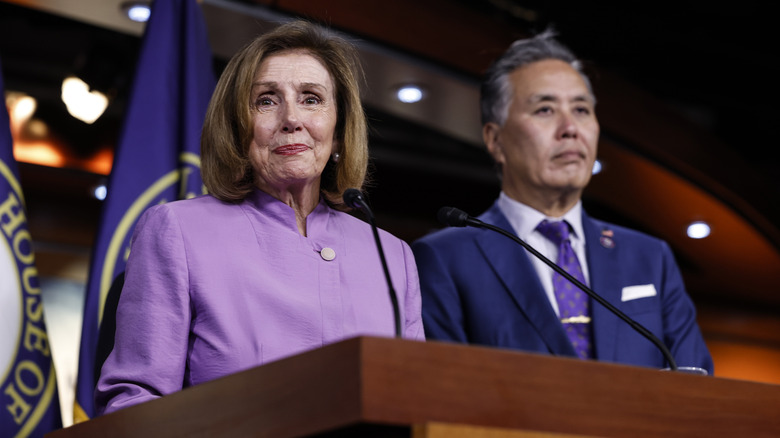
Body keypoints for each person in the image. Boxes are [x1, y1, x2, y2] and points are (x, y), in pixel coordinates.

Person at [96, 21, 424, 415]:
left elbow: (415, 405)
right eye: (266, 100)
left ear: (338, 133)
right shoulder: (178, 231)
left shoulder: (392, 256)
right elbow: (133, 403)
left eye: (312, 99)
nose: (291, 119)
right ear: (237, 127)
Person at [412, 30, 713, 373]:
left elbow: (697, 386)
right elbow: (445, 396)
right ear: (495, 141)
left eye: (582, 109)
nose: (570, 128)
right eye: (545, 110)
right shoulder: (444, 258)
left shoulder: (650, 258)